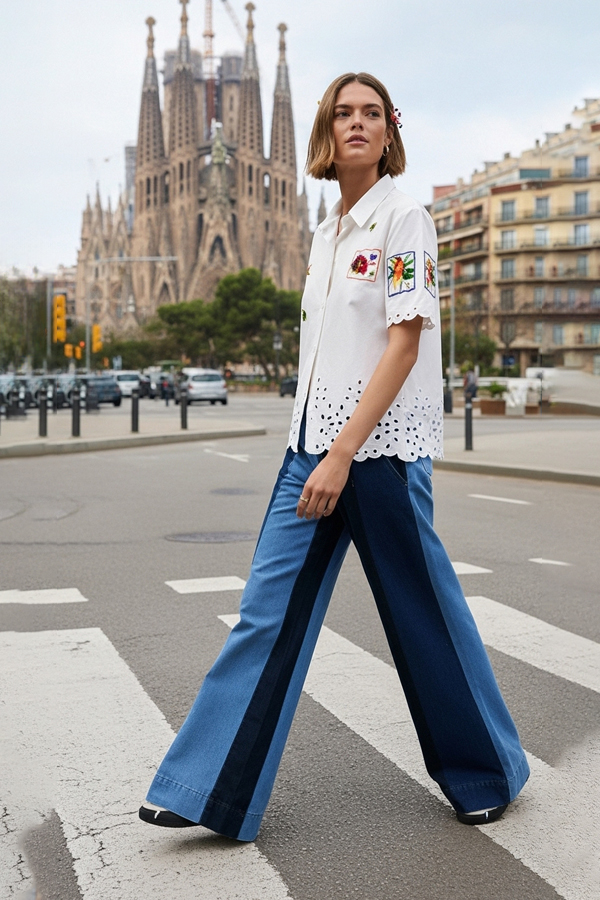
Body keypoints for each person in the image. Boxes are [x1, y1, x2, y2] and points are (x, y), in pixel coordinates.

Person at [139, 72, 529, 841]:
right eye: (343, 113)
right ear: (325, 132)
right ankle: (208, 787)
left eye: (371, 114)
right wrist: (313, 447)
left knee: (422, 614)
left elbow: (404, 341)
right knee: (263, 614)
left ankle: (489, 772)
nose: (357, 124)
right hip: (310, 453)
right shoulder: (325, 235)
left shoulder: (404, 218)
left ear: (391, 131)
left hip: (374, 454)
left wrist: (345, 450)